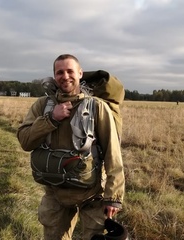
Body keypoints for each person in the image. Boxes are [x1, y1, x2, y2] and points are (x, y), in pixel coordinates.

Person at [17, 54, 125, 240]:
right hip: (55, 192)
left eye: (70, 71)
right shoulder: (42, 106)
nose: (65, 76)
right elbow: (25, 141)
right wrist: (51, 119)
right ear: (54, 76)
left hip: (92, 194)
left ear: (80, 73)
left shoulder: (97, 107)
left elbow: (112, 154)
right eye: (60, 72)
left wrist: (113, 197)